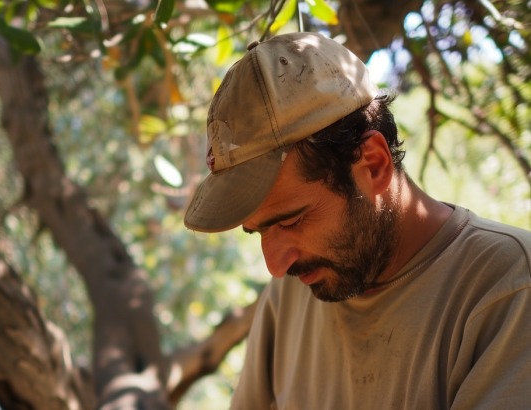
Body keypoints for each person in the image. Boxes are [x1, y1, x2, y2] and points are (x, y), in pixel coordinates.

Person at [184, 32, 531, 409]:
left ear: (373, 164)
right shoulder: (288, 297)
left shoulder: (507, 288)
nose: (275, 265)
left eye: (291, 221)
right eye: (258, 232)